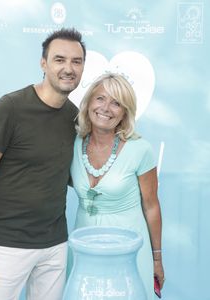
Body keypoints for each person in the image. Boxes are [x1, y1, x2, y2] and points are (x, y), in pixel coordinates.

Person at [0, 28, 86, 300]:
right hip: (6, 246)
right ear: (43, 64)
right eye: (59, 59)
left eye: (76, 61)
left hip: (56, 245)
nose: (68, 68)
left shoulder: (75, 117)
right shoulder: (10, 108)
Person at [70, 73, 165, 299]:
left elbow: (151, 207)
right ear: (89, 103)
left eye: (116, 103)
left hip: (129, 250)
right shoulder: (73, 143)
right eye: (100, 98)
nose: (106, 108)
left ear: (125, 112)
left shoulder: (140, 149)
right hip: (84, 245)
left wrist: (157, 259)